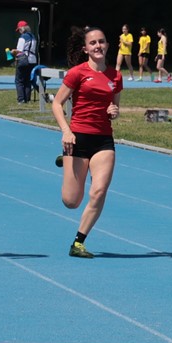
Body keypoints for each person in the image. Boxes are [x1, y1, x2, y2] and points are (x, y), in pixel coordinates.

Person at [51, 26, 123, 258]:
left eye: (101, 41)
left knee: (99, 191)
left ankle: (78, 242)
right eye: (93, 43)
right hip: (78, 138)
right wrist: (66, 131)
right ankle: (67, 158)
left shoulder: (115, 76)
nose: (98, 46)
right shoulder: (77, 73)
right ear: (85, 49)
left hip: (103, 140)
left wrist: (114, 111)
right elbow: (57, 104)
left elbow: (115, 107)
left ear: (107, 45)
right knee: (71, 201)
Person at [13, 20, 38, 103]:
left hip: (24, 60)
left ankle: (21, 99)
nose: (19, 32)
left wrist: (12, 52)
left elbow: (19, 50)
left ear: (22, 28)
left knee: (19, 80)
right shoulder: (33, 37)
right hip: (33, 60)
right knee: (28, 80)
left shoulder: (22, 37)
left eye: (19, 30)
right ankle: (27, 98)